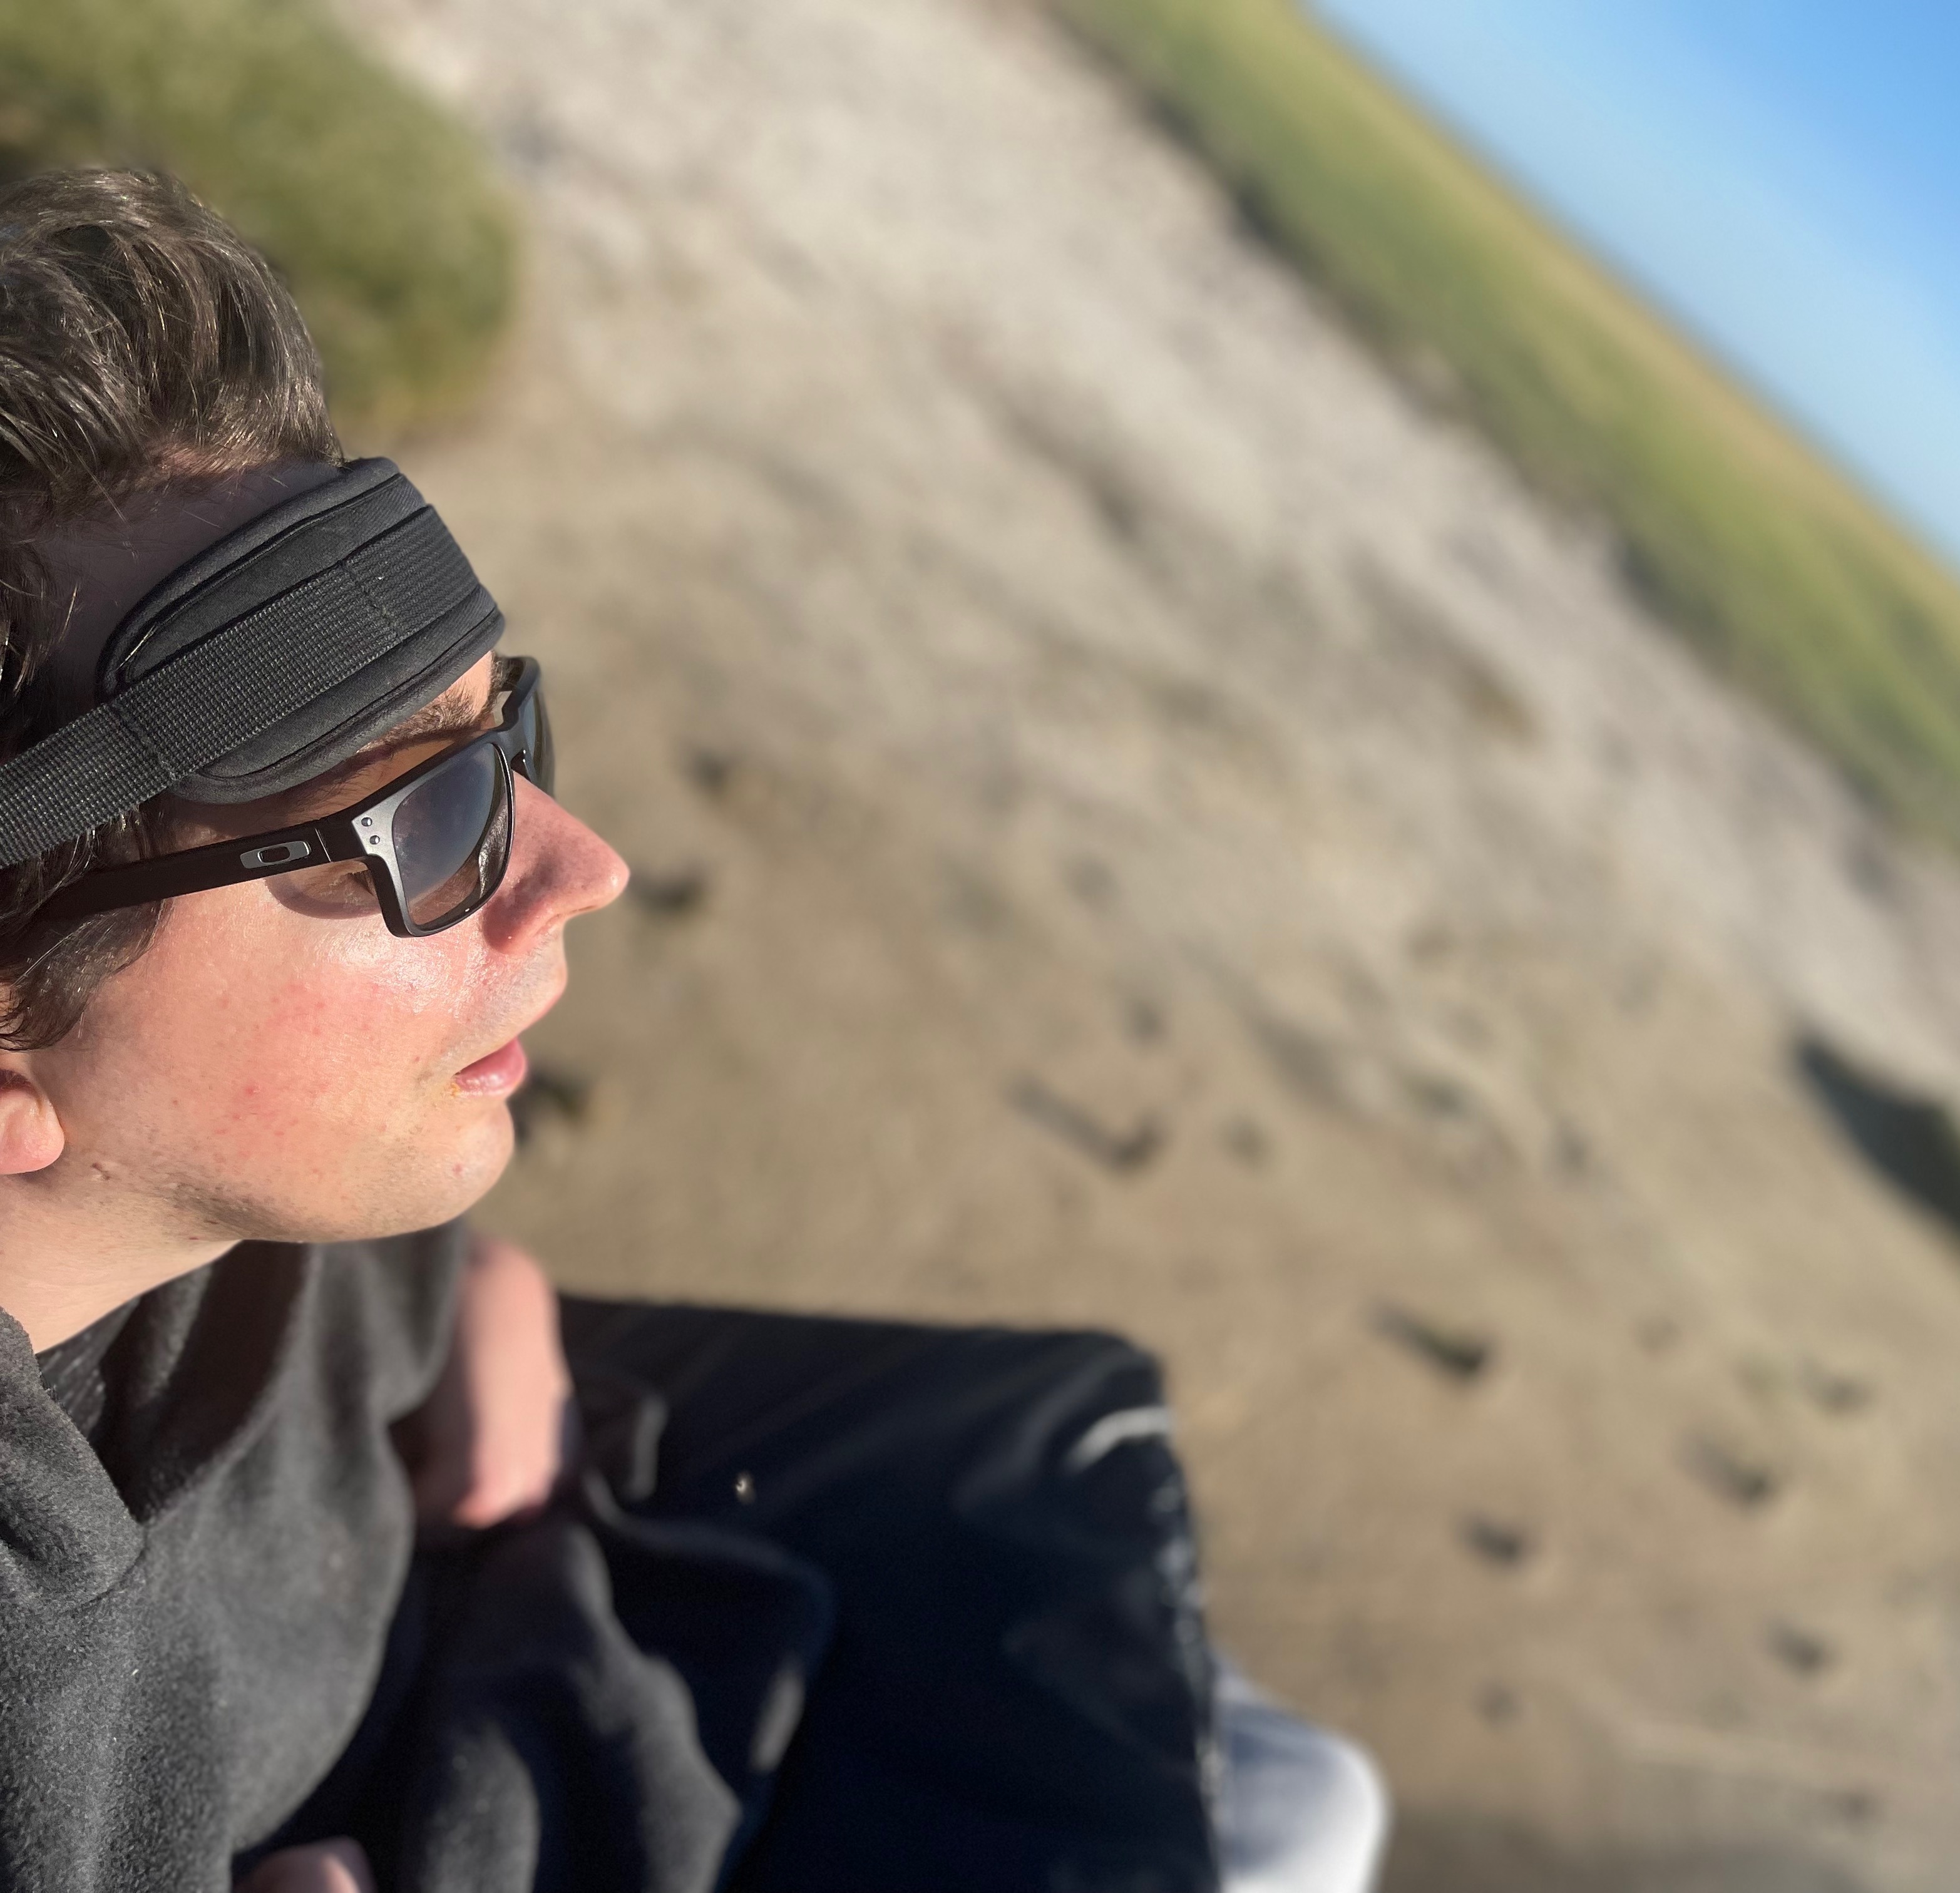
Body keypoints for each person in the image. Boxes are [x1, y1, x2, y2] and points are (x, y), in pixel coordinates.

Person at [0, 168, 1383, 1893]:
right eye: (423, 821)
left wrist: (478, 1292)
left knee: (1304, 1788)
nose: (586, 868)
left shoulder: (205, 1186)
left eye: (508, 741)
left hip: (581, 1597)